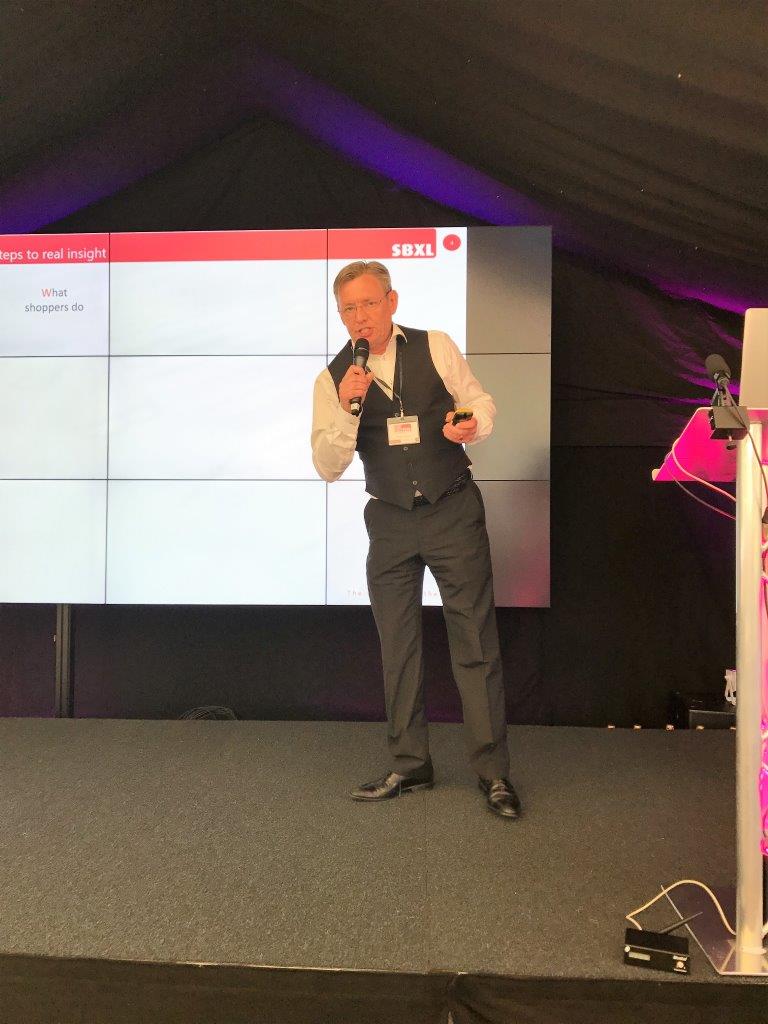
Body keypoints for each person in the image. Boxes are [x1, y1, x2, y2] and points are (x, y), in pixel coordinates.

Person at [311, 260, 521, 820]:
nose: (360, 316)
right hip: (390, 521)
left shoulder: (436, 345)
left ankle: (493, 773)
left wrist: (469, 423)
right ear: (340, 315)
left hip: (452, 509)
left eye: (368, 303)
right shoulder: (333, 379)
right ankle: (410, 763)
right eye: (349, 308)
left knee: (475, 641)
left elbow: (481, 402)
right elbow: (327, 466)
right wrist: (348, 410)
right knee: (398, 645)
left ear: (392, 302)